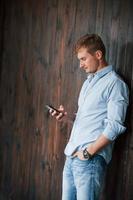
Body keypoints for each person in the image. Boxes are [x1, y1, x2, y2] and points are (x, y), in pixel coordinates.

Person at [50, 34, 129, 200]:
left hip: (89, 160)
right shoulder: (88, 82)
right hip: (71, 156)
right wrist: (66, 117)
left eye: (83, 59)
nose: (81, 65)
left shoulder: (115, 84)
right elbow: (86, 118)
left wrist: (88, 153)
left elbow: (115, 125)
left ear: (98, 55)